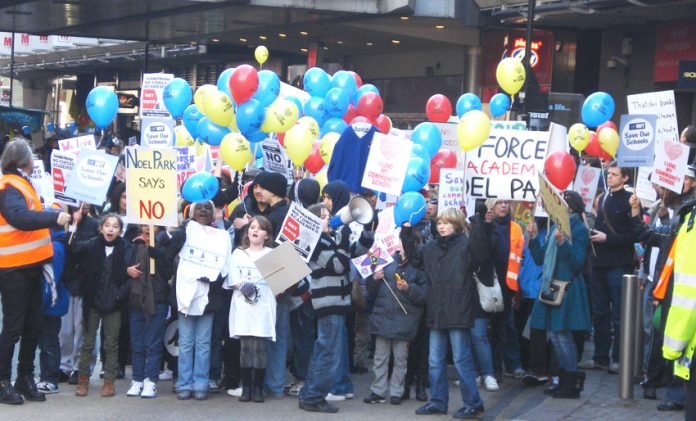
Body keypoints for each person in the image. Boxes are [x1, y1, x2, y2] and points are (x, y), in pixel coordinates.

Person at [0, 139, 71, 405]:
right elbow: (18, 217)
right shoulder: (9, 185)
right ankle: (3, 381)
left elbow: (29, 214)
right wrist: (52, 218)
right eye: (30, 154)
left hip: (30, 264)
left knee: (32, 325)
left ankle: (25, 377)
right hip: (14, 268)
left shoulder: (20, 183)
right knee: (14, 327)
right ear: (22, 159)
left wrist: (49, 212)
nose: (33, 157)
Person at [401, 207, 487, 419]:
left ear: (456, 225)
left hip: (458, 310)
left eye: (446, 223)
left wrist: (477, 221)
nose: (441, 226)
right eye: (439, 223)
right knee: (435, 360)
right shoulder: (431, 247)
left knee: (461, 360)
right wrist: (406, 234)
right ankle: (438, 401)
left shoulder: (465, 246)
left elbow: (480, 256)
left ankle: (473, 403)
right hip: (437, 311)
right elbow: (415, 259)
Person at [527, 191, 591, 398]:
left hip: (568, 288)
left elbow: (577, 262)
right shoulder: (555, 226)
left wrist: (563, 243)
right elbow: (540, 259)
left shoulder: (579, 228)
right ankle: (562, 380)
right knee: (554, 336)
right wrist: (534, 238)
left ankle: (570, 382)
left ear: (569, 207)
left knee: (563, 336)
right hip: (552, 288)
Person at [70, 213, 138, 397]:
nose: (110, 229)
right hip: (92, 300)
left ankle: (109, 380)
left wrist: (119, 295)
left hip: (114, 303)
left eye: (115, 226)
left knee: (111, 343)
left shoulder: (126, 248)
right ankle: (83, 379)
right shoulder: (93, 245)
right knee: (87, 342)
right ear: (101, 228)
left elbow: (130, 277)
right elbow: (73, 249)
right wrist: (73, 226)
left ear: (121, 231)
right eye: (107, 225)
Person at [170, 200, 231, 401]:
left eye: (208, 208)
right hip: (186, 293)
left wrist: (214, 278)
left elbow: (225, 264)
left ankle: (201, 383)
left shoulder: (222, 236)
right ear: (191, 212)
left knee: (204, 342)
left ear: (214, 214)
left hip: (208, 296)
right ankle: (184, 383)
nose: (203, 211)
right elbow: (172, 245)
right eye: (199, 207)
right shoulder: (184, 231)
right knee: (186, 342)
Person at [580, 162, 636, 372]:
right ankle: (600, 357)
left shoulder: (630, 201)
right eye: (608, 173)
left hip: (619, 264)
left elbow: (634, 235)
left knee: (619, 315)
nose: (609, 177)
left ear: (625, 178)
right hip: (599, 263)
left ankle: (618, 359)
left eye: (614, 174)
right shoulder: (602, 198)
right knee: (600, 313)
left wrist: (608, 239)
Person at [298, 203, 352, 414]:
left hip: (336, 302)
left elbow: (356, 252)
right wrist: (345, 238)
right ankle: (314, 396)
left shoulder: (329, 239)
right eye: (323, 216)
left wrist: (366, 230)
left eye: (328, 215)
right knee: (329, 353)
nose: (328, 218)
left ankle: (310, 394)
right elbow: (339, 264)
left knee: (324, 350)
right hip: (328, 302)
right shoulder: (315, 243)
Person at [363, 233, 426, 405]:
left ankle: (397, 391)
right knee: (380, 358)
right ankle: (378, 391)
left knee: (400, 359)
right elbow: (370, 290)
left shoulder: (419, 268)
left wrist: (408, 289)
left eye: (405, 241)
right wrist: (374, 279)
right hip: (383, 317)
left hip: (405, 320)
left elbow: (424, 297)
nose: (401, 244)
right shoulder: (386, 261)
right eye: (400, 240)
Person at [225, 216, 276, 403]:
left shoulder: (271, 254)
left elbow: (281, 283)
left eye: (260, 228)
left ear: (267, 235)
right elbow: (232, 277)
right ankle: (246, 388)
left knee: (260, 348)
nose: (255, 230)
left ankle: (258, 388)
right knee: (246, 347)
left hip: (263, 306)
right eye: (252, 227)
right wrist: (242, 286)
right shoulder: (238, 253)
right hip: (243, 306)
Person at [125, 225, 176, 399]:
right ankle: (137, 379)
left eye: (150, 226)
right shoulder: (132, 245)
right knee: (137, 343)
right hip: (136, 299)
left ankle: (150, 380)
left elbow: (169, 271)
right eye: (144, 226)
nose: (147, 230)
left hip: (158, 300)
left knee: (153, 343)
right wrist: (128, 270)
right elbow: (121, 268)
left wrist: (158, 254)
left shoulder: (165, 245)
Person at [59, 203, 99, 385]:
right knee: (65, 331)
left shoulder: (95, 225)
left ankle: (81, 367)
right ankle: (63, 366)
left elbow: (85, 248)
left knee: (83, 329)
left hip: (85, 282)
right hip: (65, 282)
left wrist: (75, 231)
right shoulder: (61, 221)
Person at [487, 199, 526, 380]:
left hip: (508, 286)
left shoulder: (516, 228)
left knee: (507, 328)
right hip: (488, 286)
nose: (503, 206)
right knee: (490, 330)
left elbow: (520, 256)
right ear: (491, 206)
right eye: (498, 203)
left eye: (505, 202)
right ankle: (493, 370)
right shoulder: (486, 227)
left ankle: (512, 365)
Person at [468, 202, 500, 392]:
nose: (488, 213)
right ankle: (474, 373)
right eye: (483, 211)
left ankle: (488, 373)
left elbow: (482, 254)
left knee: (479, 335)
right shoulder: (466, 230)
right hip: (466, 291)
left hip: (481, 290)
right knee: (468, 336)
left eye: (489, 211)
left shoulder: (491, 233)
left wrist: (477, 225)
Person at [36, 222, 70, 395]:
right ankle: (45, 377)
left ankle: (50, 379)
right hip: (48, 302)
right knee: (45, 343)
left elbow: (51, 280)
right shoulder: (53, 244)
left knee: (49, 343)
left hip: (50, 303)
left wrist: (40, 304)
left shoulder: (54, 248)